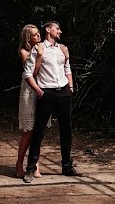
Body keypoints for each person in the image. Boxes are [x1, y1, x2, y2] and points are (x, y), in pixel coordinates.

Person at [21, 20, 79, 183]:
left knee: (66, 130)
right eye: (57, 29)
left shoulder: (62, 49)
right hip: (46, 93)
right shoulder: (39, 49)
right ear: (48, 29)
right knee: (38, 132)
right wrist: (39, 91)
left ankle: (67, 167)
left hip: (63, 92)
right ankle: (31, 169)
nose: (60, 32)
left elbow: (67, 68)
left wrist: (71, 88)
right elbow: (28, 74)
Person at [15, 24, 47, 178]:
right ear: (28, 37)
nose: (38, 36)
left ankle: (34, 164)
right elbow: (34, 71)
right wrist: (39, 56)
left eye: (38, 33)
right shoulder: (24, 52)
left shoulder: (43, 48)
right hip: (29, 90)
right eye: (34, 34)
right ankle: (19, 164)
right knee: (28, 131)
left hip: (42, 89)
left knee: (39, 130)